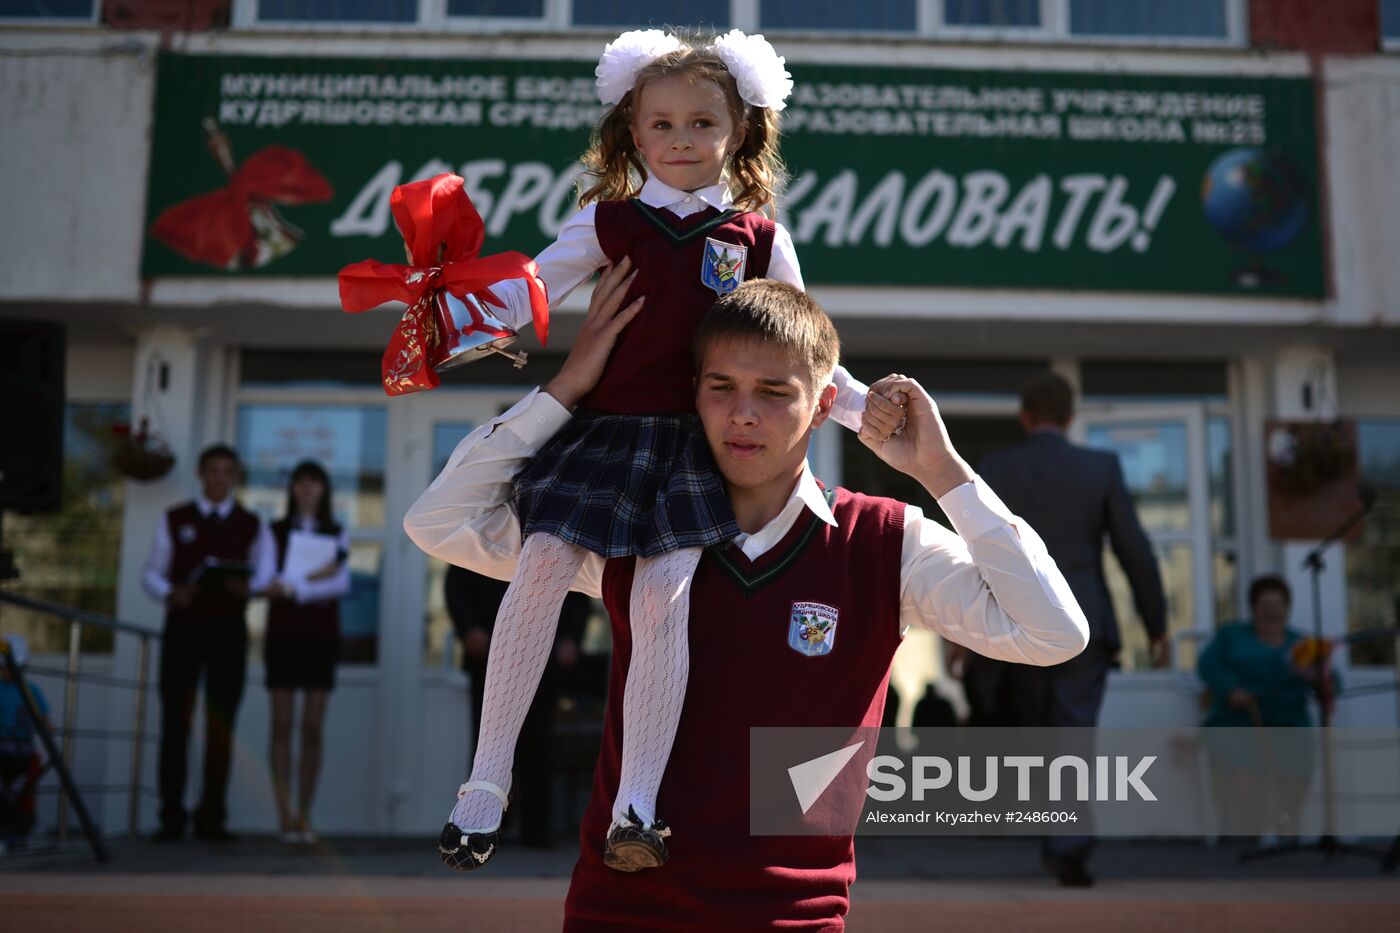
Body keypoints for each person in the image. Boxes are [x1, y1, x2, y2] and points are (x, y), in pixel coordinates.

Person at [404, 273, 1089, 929]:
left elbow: (1054, 633)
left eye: (774, 391)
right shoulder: (631, 528)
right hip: (620, 911)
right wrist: (568, 387)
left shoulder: (884, 541)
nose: (742, 414)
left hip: (794, 918)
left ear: (824, 403)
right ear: (692, 394)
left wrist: (941, 472)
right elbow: (436, 521)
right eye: (721, 387)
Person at [441, 28, 876, 872]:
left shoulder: (756, 237)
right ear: (633, 136)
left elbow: (806, 353)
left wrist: (865, 412)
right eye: (663, 125)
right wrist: (451, 321)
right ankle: (485, 781)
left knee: (664, 598)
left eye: (702, 124)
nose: (682, 141)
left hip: (690, 450)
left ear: (739, 132)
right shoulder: (609, 220)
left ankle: (637, 805)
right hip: (603, 440)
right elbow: (528, 285)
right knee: (537, 567)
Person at [959, 370, 1167, 886]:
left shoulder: (994, 468)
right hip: (1084, 622)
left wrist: (956, 633)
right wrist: (1156, 623)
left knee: (1037, 733)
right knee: (1073, 733)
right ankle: (1066, 844)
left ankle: (1057, 835)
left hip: (1014, 620)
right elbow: (1133, 550)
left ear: (1025, 416)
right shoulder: (1099, 467)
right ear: (1070, 417)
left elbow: (971, 554)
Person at [142, 443, 275, 842]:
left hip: (227, 632)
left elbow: (267, 575)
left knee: (221, 726)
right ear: (201, 474)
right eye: (213, 470)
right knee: (175, 722)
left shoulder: (253, 524)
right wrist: (170, 592)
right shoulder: (175, 518)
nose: (219, 477)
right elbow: (151, 572)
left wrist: (248, 586)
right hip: (183, 629)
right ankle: (171, 817)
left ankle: (212, 817)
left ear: (236, 477)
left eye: (227, 471)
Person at [445, 565, 589, 848]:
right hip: (488, 658)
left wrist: (571, 638)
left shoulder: (552, 528)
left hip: (541, 658)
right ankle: (481, 824)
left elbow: (578, 591)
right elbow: (456, 587)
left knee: (537, 744)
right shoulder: (487, 523)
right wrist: (468, 629)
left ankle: (536, 827)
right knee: (486, 743)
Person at [1197, 574, 1337, 837]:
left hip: (1287, 719)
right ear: (1254, 608)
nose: (1272, 611)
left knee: (1299, 753)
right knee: (1238, 756)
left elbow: (1331, 681)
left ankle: (1288, 821)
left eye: (1278, 604)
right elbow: (1207, 665)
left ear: (1287, 607)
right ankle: (1265, 825)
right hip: (1238, 718)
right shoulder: (1232, 635)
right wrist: (1230, 690)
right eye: (1265, 604)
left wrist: (1319, 681)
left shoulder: (1302, 645)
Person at [262, 460, 351, 844]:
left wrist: (296, 587)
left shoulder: (337, 530)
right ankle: (283, 815)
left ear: (324, 489)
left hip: (320, 634)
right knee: (282, 724)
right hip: (282, 633)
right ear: (292, 488)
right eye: (300, 482)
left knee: (312, 727)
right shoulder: (274, 530)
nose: (307, 489)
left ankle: (304, 814)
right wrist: (313, 578)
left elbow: (341, 583)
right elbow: (265, 581)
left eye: (314, 482)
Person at [0, 635, 51, 853]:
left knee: (23, 794)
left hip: (24, 750)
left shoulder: (32, 690)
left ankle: (20, 831)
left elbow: (45, 720)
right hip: (2, 748)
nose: (9, 672)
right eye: (5, 668)